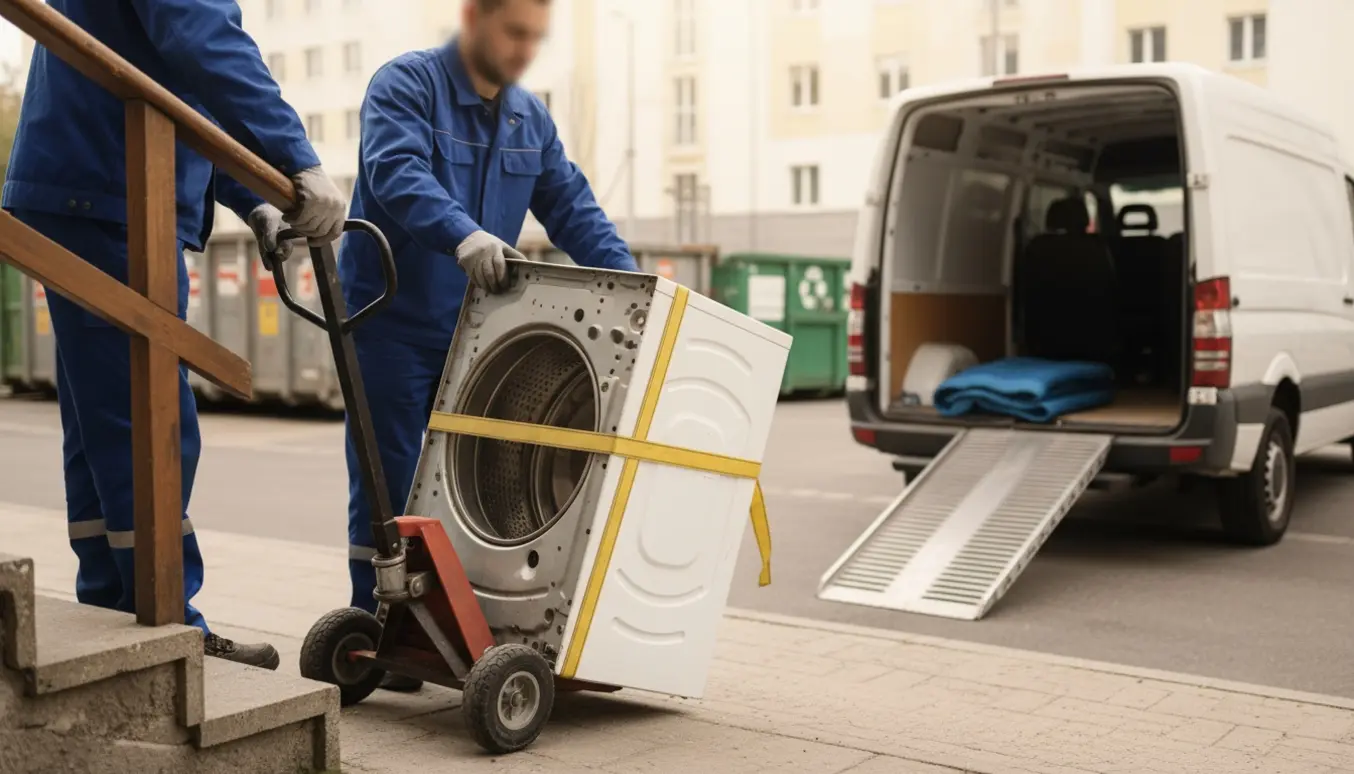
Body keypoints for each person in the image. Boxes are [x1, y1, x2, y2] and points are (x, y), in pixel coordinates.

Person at [3, 0, 347, 669]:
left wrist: (251, 197)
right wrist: (296, 158)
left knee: (104, 426)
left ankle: (113, 606)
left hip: (86, 182)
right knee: (151, 423)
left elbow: (175, 80)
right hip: (115, 187)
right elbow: (204, 41)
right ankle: (168, 624)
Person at [339, 0, 639, 692]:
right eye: (515, 32)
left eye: (536, 37)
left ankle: (458, 628)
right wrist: (462, 233)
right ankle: (379, 621)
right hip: (389, 321)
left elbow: (573, 209)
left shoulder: (529, 120)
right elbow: (396, 172)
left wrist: (636, 285)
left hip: (476, 334)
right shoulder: (406, 84)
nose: (526, 49)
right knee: (387, 479)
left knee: (471, 487)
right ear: (475, 17)